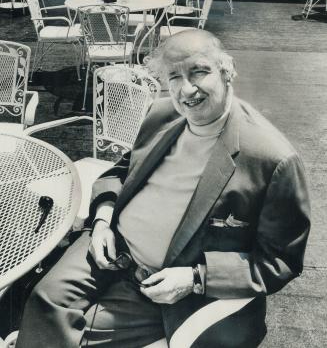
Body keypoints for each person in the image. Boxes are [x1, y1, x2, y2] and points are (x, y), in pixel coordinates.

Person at [16, 29, 310, 348]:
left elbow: (280, 261)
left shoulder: (271, 159)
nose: (187, 89)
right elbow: (121, 171)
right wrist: (102, 221)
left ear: (228, 72)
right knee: (42, 303)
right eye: (175, 76)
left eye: (199, 71)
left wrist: (194, 278)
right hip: (110, 246)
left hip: (164, 284)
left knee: (77, 336)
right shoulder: (162, 113)